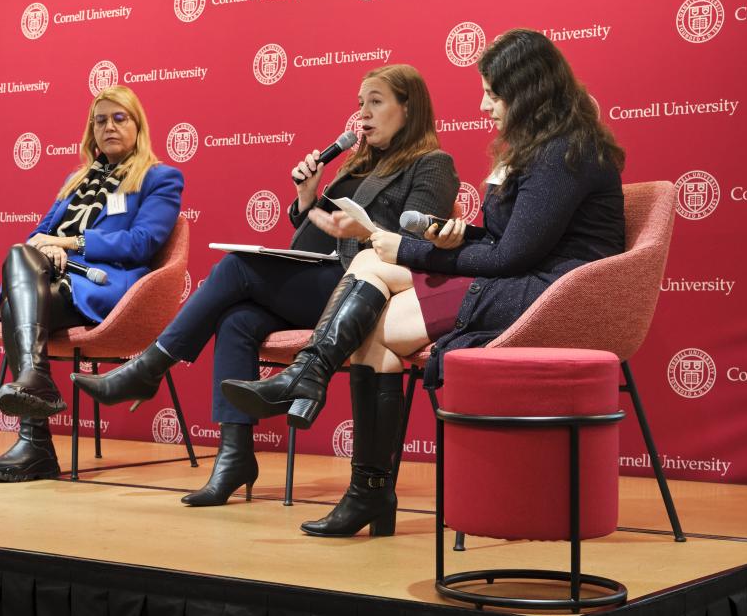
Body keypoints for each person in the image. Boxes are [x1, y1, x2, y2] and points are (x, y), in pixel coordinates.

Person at [224, 29, 626, 536]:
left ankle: (361, 480)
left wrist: (413, 249)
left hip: (552, 292)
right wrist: (454, 236)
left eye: (493, 94)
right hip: (525, 275)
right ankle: (314, 388)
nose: (483, 106)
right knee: (370, 265)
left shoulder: (565, 152)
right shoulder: (538, 147)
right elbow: (508, 239)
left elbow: (514, 256)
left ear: (529, 92)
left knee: (376, 325)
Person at [73, 65, 459, 510]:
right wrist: (308, 198)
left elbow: (412, 246)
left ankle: (149, 368)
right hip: (319, 276)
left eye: (375, 102)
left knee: (237, 268)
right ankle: (234, 458)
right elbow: (321, 227)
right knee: (237, 320)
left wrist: (365, 228)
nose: (363, 115)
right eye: (359, 104)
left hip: (362, 291)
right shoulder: (358, 161)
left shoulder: (432, 164)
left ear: (408, 109)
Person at [0, 85, 184, 483]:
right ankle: (36, 398)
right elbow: (38, 235)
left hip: (104, 282)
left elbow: (143, 243)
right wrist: (45, 249)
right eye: (100, 120)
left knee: (14, 310)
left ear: (138, 125)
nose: (108, 126)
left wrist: (70, 244)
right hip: (52, 277)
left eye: (119, 118)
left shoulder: (160, 177)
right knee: (19, 255)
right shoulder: (76, 179)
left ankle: (34, 442)